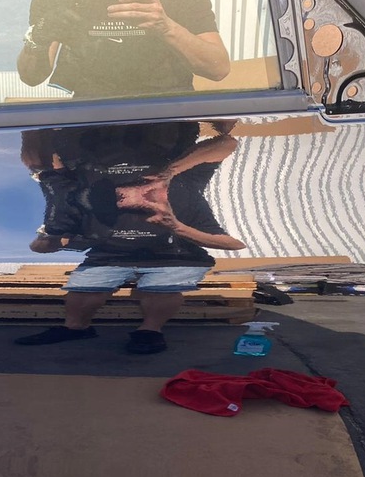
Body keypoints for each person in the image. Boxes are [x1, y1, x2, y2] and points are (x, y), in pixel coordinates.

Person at [15, 120, 246, 354]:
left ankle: (150, 331)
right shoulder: (92, 193)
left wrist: (178, 226)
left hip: (170, 255)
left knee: (162, 287)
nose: (144, 198)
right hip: (115, 254)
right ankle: (76, 327)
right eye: (119, 197)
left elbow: (234, 243)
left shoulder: (185, 186)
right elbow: (226, 144)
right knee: (85, 290)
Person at [17, 0, 230, 99]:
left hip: (165, 107)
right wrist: (39, 36)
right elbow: (31, 77)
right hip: (91, 111)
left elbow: (218, 68)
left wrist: (166, 27)